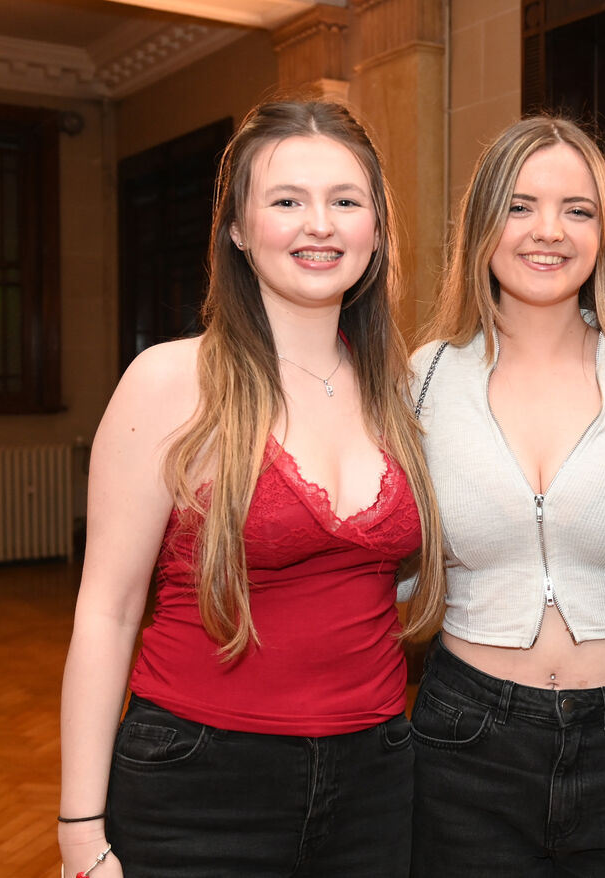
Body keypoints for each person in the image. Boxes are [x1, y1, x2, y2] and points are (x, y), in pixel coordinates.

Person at [58, 100, 444, 878]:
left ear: (375, 228)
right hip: (198, 783)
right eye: (287, 201)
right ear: (237, 228)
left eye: (345, 201)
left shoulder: (402, 390)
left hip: (377, 779)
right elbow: (108, 609)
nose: (320, 225)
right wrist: (78, 829)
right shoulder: (171, 381)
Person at [404, 115, 605, 877]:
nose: (548, 232)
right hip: (466, 737)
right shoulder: (421, 379)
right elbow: (392, 566)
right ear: (482, 223)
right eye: (521, 205)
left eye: (578, 209)